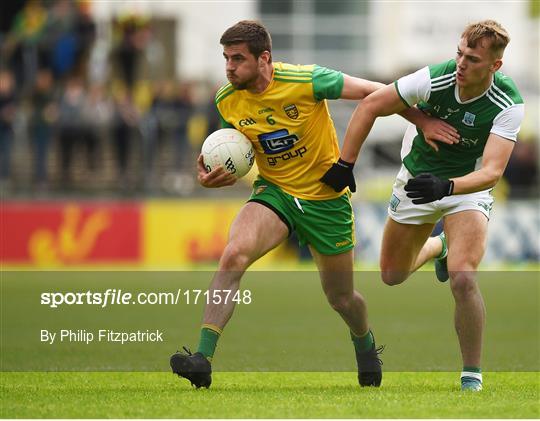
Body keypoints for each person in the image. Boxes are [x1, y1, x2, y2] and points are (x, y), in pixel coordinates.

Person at [170, 20, 450, 389]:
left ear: (264, 58)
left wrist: (422, 121)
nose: (229, 67)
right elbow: (234, 148)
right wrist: (214, 174)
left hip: (326, 201)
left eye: (237, 58)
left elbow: (376, 92)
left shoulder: (306, 81)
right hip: (275, 194)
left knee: (342, 298)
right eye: (226, 58)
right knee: (233, 255)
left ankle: (366, 347)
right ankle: (202, 359)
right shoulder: (228, 99)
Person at [321, 20, 524, 391]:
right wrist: (345, 164)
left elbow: (492, 172)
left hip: (467, 185)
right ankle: (438, 245)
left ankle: (471, 376)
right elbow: (370, 106)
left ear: (495, 66)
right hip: (416, 180)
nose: (461, 63)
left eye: (473, 59)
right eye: (460, 53)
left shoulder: (508, 103)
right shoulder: (435, 78)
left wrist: (447, 186)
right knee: (391, 275)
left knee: (463, 278)